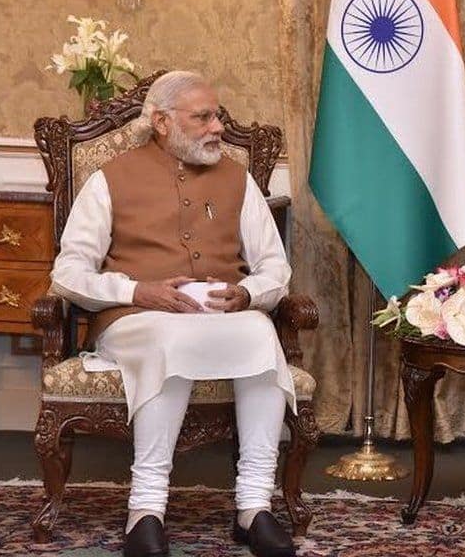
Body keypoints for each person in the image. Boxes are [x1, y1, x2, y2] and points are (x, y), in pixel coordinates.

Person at [51, 71, 298, 557]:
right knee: (171, 340)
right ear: (162, 122)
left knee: (260, 335)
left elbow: (275, 266)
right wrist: (137, 290)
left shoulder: (237, 178)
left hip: (219, 317)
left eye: (218, 116)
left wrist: (247, 295)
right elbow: (68, 272)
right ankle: (145, 510)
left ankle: (254, 507)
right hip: (135, 320)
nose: (217, 128)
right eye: (202, 117)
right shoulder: (110, 178)